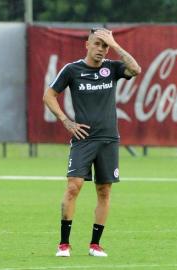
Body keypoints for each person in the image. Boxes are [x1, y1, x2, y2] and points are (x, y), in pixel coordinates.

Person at [43, 28, 141, 257]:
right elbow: (48, 95)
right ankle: (63, 245)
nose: (100, 49)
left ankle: (95, 245)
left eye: (104, 45)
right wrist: (66, 121)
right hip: (83, 139)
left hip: (109, 139)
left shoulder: (112, 68)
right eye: (97, 43)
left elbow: (136, 69)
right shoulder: (72, 70)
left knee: (104, 191)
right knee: (73, 186)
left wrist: (115, 46)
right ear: (87, 44)